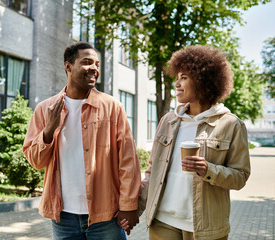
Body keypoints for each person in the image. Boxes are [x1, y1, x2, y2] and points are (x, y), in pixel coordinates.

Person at [122, 45, 251, 239]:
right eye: (176, 78)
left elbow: (240, 176)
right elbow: (152, 171)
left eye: (184, 77)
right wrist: (135, 209)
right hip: (162, 222)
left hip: (205, 228)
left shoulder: (231, 124)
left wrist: (208, 169)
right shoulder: (169, 121)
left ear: (203, 80)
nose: (177, 84)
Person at [23, 42, 141, 239]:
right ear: (68, 66)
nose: (94, 68)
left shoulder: (112, 107)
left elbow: (128, 161)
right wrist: (48, 130)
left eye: (96, 64)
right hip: (64, 217)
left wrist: (129, 206)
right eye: (87, 62)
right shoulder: (46, 109)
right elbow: (36, 161)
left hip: (106, 215)